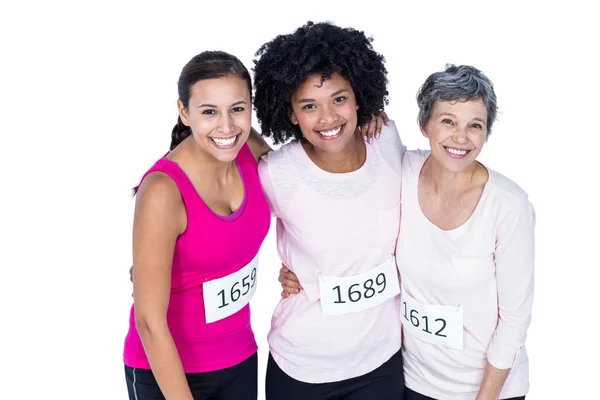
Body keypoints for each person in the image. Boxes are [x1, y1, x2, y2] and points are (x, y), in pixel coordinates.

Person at [281, 64, 535, 400]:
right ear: (424, 125)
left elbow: (515, 319)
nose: (461, 138)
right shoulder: (402, 169)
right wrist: (301, 266)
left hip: (486, 389)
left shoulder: (508, 205)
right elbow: (349, 212)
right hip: (412, 381)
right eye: (448, 121)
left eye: (475, 126)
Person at [253, 21, 406, 399]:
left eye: (339, 99)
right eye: (309, 106)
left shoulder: (386, 140)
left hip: (381, 362)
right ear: (290, 114)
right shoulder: (278, 173)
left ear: (359, 97)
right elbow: (233, 226)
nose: (328, 118)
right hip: (302, 367)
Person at [123, 51, 272, 400]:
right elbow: (149, 322)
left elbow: (305, 187)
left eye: (238, 108)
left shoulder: (249, 147)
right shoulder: (162, 191)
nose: (226, 126)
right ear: (184, 112)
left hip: (240, 359)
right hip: (166, 372)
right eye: (209, 112)